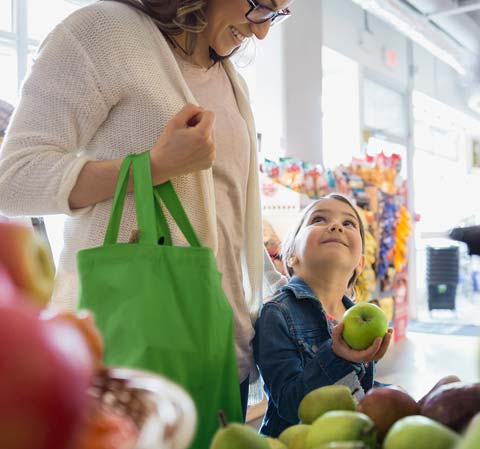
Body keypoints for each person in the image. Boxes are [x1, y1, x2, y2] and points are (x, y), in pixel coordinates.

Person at [0, 0, 292, 419]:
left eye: (278, 14)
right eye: (262, 5)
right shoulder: (103, 33)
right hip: (133, 351)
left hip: (226, 351)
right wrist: (153, 168)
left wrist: (285, 291)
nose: (262, 31)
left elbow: (227, 209)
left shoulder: (229, 78)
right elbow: (13, 179)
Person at [253, 193, 393, 436]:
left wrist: (391, 397)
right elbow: (289, 405)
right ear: (292, 255)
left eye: (349, 223)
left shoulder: (358, 315)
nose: (336, 226)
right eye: (318, 219)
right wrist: (337, 356)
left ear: (359, 263)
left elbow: (358, 394)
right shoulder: (277, 313)